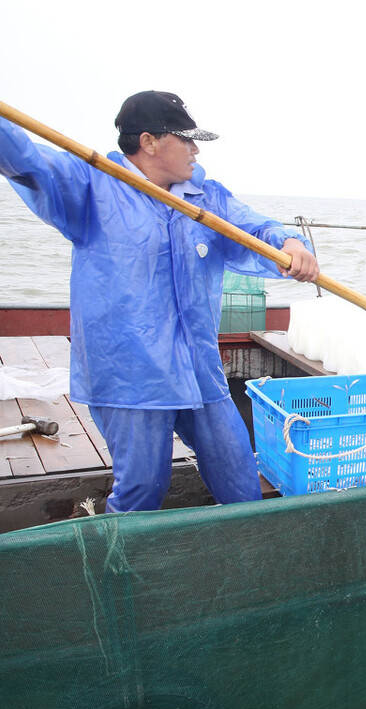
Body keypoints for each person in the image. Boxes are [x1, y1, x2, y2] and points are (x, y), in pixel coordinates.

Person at [0, 90, 320, 513]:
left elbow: (256, 228)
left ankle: (250, 557)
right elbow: (25, 158)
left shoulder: (207, 197)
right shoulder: (91, 184)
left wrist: (289, 242)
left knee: (240, 476)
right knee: (142, 490)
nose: (195, 149)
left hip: (198, 369)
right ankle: (119, 569)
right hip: (130, 376)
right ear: (149, 142)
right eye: (185, 139)